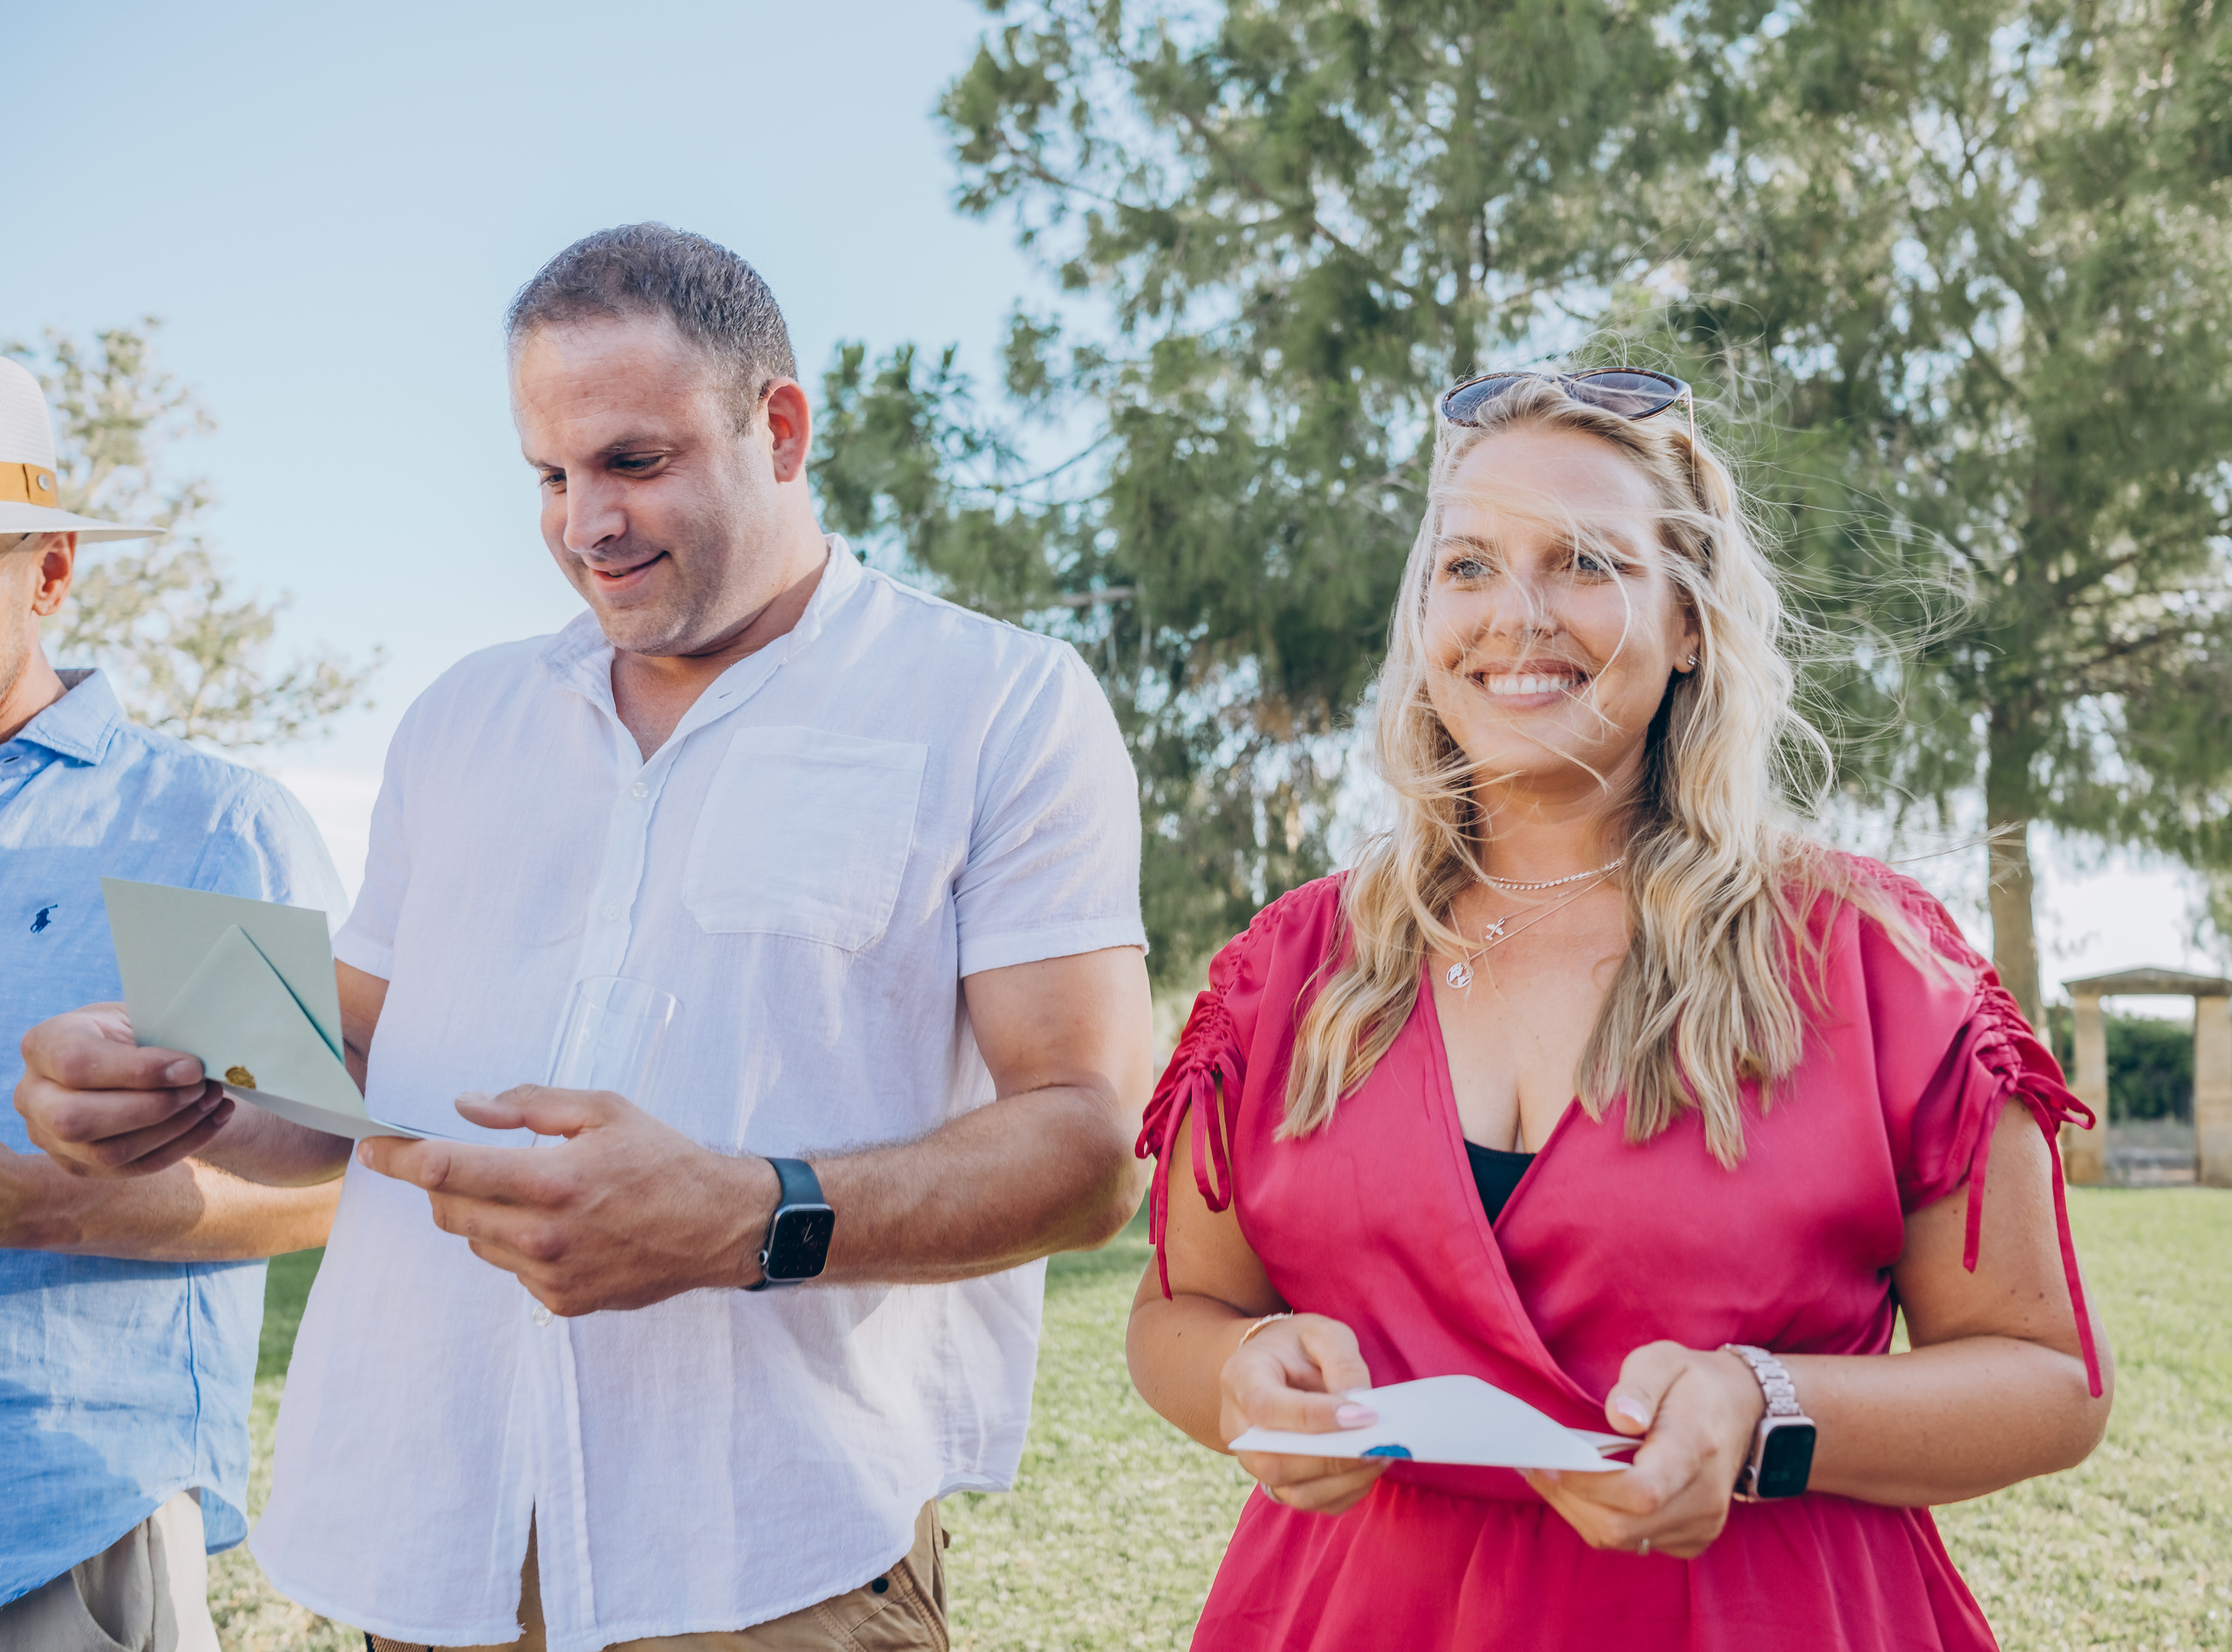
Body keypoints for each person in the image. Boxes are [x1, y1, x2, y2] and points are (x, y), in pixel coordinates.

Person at [17, 224, 1153, 1652]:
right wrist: (156, 1082)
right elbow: (340, 1080)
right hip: (437, 1550)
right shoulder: (461, 720)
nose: (584, 524)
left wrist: (745, 1217)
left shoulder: (1000, 703)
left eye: (633, 462)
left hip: (768, 1563)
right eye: (549, 477)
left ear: (781, 426)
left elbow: (1088, 1149)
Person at [1124, 368, 2112, 1650]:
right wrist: (1232, 1383)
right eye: (1468, 566)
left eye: (1585, 563)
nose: (1514, 619)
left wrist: (1766, 1409)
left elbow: (2049, 1382)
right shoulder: (1288, 969)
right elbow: (1177, 1315)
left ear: (1691, 621)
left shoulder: (1870, 962)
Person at [0, 356, 344, 1647]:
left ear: (50, 570)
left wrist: (38, 1204)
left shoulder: (200, 828)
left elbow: (339, 1186)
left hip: (59, 1531)